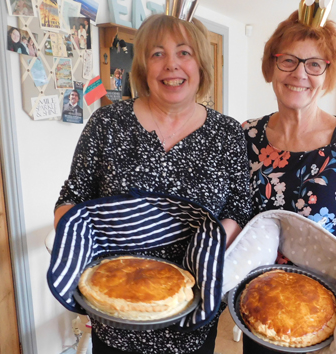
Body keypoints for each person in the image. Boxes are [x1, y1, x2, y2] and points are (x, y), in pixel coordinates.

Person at [54, 14, 252, 354]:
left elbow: (240, 208)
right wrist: (79, 243)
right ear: (143, 67)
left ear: (201, 64)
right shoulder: (107, 124)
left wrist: (208, 246)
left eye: (184, 53)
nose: (171, 65)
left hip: (193, 314)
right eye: (157, 54)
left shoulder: (228, 133)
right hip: (116, 309)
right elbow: (71, 199)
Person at [242, 10, 336, 354]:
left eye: (314, 64)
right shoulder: (245, 137)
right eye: (288, 61)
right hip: (267, 311)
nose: (299, 74)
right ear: (270, 66)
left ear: (326, 73)